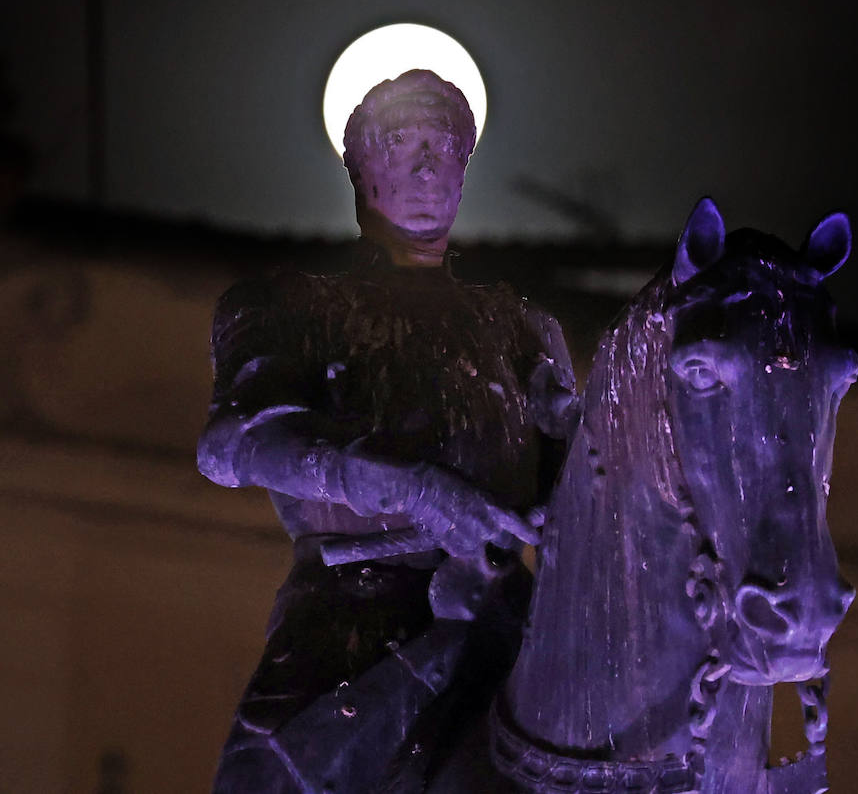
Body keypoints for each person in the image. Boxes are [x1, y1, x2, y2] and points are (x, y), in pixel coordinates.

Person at [197, 69, 577, 793]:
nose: (429, 164)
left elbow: (580, 482)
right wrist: (413, 488)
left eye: (446, 147)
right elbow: (231, 442)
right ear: (361, 167)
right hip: (349, 624)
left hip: (510, 621)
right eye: (404, 143)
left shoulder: (525, 327)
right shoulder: (290, 307)